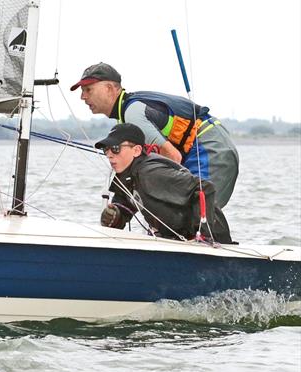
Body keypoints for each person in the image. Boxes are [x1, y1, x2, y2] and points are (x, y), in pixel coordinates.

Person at [70, 62, 239, 207]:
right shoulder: (126, 112)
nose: (82, 97)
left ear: (109, 88)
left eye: (88, 90)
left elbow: (172, 157)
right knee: (186, 214)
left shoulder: (132, 113)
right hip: (203, 145)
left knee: (198, 213)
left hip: (209, 147)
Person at [96, 123, 232, 243]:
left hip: (212, 242)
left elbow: (204, 188)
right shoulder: (125, 178)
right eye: (106, 149)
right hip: (176, 241)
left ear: (136, 150)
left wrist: (203, 236)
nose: (109, 155)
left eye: (115, 148)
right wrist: (115, 216)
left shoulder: (151, 173)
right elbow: (124, 208)